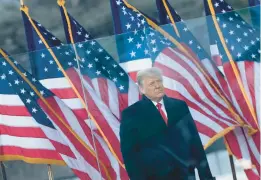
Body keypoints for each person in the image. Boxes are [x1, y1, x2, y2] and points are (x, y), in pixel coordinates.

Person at [120, 67, 215, 180]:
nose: (157, 86)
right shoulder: (131, 114)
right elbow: (130, 155)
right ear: (142, 89)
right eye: (151, 84)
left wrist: (206, 177)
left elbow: (195, 143)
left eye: (159, 81)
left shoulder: (180, 106)